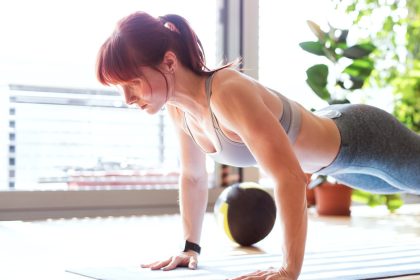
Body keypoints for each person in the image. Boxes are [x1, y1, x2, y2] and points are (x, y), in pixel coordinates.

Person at [95, 11, 420, 280]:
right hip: (339, 166)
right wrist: (190, 247)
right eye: (119, 87)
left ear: (168, 62)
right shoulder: (180, 111)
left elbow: (289, 177)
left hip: (362, 137)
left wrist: (288, 270)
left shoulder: (226, 92)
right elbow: (193, 177)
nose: (127, 98)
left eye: (132, 83)